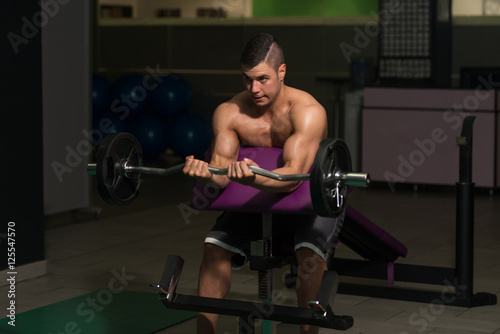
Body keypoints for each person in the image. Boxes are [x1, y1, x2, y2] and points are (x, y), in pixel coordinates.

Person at [183, 33, 341, 334]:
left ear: (281, 71)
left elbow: (293, 178)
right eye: (246, 79)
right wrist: (208, 174)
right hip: (258, 202)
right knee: (214, 247)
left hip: (311, 201)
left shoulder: (307, 112)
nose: (254, 89)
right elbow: (220, 172)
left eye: (262, 79)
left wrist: (255, 176)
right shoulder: (230, 113)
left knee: (309, 253)